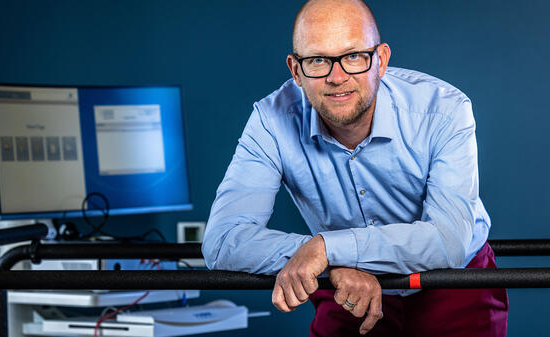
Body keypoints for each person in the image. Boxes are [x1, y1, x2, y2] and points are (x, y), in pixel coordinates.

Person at [201, 0, 509, 335]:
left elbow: (449, 239)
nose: (337, 77)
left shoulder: (444, 109)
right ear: (296, 70)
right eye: (318, 59)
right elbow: (222, 240)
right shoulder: (270, 120)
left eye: (353, 57)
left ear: (381, 61)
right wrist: (335, 264)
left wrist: (326, 249)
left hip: (453, 283)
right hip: (347, 290)